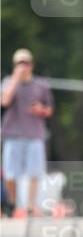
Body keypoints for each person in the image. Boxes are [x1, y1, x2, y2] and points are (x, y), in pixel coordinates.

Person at [1, 48, 54, 216]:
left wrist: (41, 110)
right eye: (19, 63)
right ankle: (13, 203)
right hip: (13, 134)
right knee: (10, 173)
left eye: (26, 63)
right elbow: (5, 102)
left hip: (34, 135)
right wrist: (16, 80)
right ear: (14, 65)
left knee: (34, 173)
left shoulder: (41, 85)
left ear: (31, 64)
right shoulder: (8, 82)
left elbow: (50, 110)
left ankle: (30, 207)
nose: (23, 66)